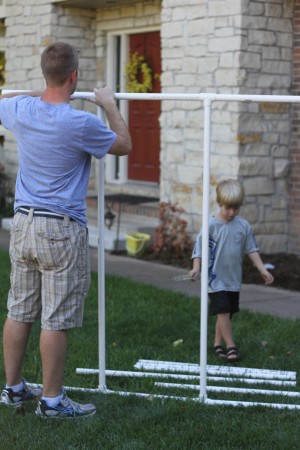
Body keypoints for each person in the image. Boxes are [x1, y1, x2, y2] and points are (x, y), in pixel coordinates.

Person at [0, 42, 131, 418]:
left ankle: (12, 389)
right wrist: (107, 103)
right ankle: (53, 402)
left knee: (19, 310)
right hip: (59, 228)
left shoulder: (21, 110)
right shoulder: (80, 122)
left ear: (46, 75)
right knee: (54, 318)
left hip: (22, 224)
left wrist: (39, 88)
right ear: (74, 77)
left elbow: (6, 96)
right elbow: (124, 144)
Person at [189, 179, 274, 363]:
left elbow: (251, 249)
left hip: (233, 279)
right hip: (214, 278)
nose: (232, 212)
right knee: (224, 311)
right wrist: (196, 267)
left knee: (227, 312)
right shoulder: (210, 225)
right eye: (228, 208)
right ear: (219, 203)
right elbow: (199, 249)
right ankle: (231, 347)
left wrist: (262, 270)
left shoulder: (243, 226)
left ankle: (217, 344)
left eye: (236, 208)